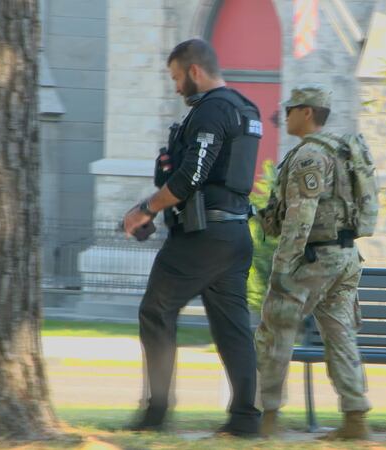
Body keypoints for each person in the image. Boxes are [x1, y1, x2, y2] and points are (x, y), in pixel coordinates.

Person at [121, 38, 262, 436]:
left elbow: (190, 179)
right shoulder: (244, 109)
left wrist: (146, 209)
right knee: (232, 326)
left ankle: (156, 413)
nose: (176, 86)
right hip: (235, 234)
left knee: (156, 312)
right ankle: (245, 420)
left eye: (177, 77)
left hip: (201, 238)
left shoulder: (211, 110)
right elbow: (203, 172)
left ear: (194, 71)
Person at [255, 84, 373, 440]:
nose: (285, 115)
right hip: (346, 257)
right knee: (340, 336)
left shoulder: (310, 156)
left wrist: (282, 266)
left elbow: (300, 217)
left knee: (276, 327)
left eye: (291, 109)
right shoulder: (339, 150)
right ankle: (355, 419)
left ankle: (267, 419)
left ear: (308, 112)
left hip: (316, 257)